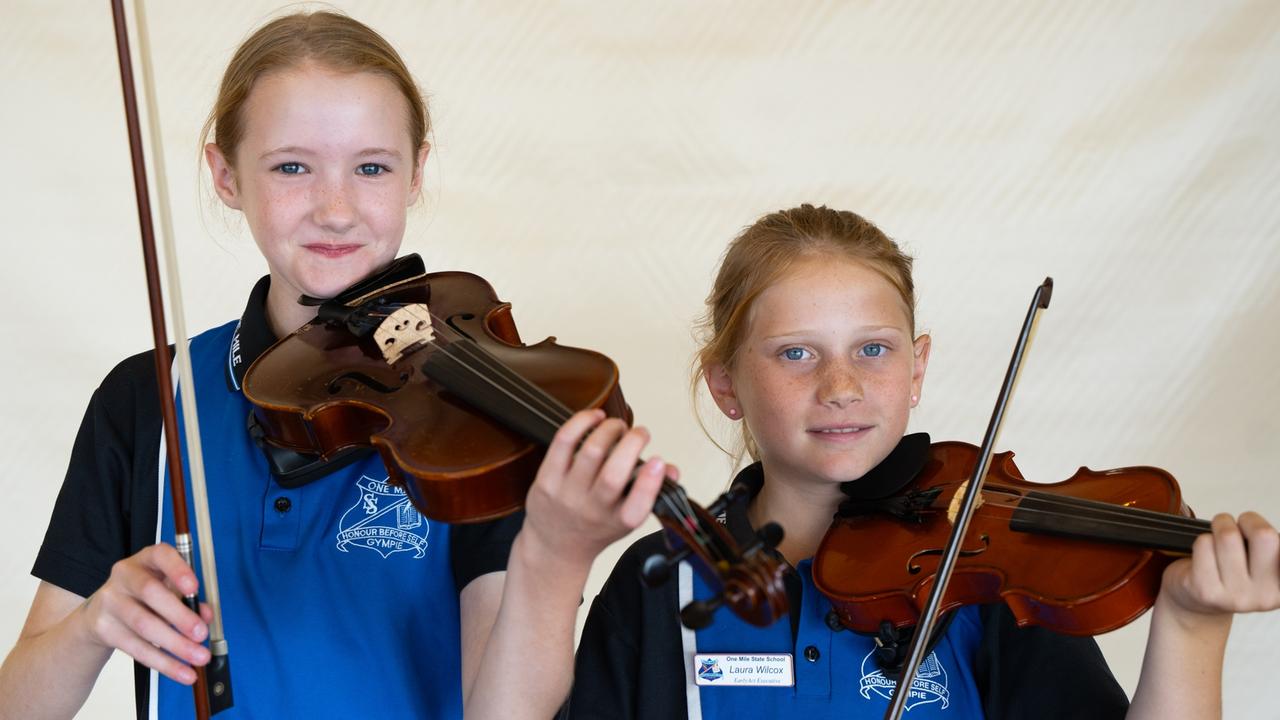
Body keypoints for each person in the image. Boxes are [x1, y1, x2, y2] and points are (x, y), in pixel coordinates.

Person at [0, 11, 663, 719]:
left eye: (372, 167)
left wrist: (554, 560)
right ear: (225, 175)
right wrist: (95, 622)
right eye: (292, 166)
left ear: (416, 174)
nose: (336, 209)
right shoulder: (152, 399)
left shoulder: (478, 420)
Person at [562, 203, 1280, 719]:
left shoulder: (985, 583)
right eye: (796, 353)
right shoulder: (659, 585)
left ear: (917, 368)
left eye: (873, 349)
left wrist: (1191, 623)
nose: (841, 387)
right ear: (726, 385)